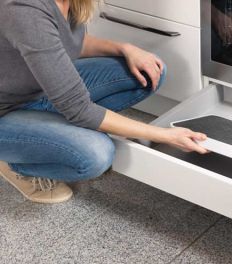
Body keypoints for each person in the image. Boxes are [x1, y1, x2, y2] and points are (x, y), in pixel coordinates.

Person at [0, 0, 208, 204]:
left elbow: (68, 43)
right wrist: (164, 135)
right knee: (96, 153)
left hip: (37, 88)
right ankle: (14, 163)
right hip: (5, 110)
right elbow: (79, 109)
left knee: (148, 71)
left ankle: (52, 133)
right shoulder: (23, 8)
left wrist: (125, 49)